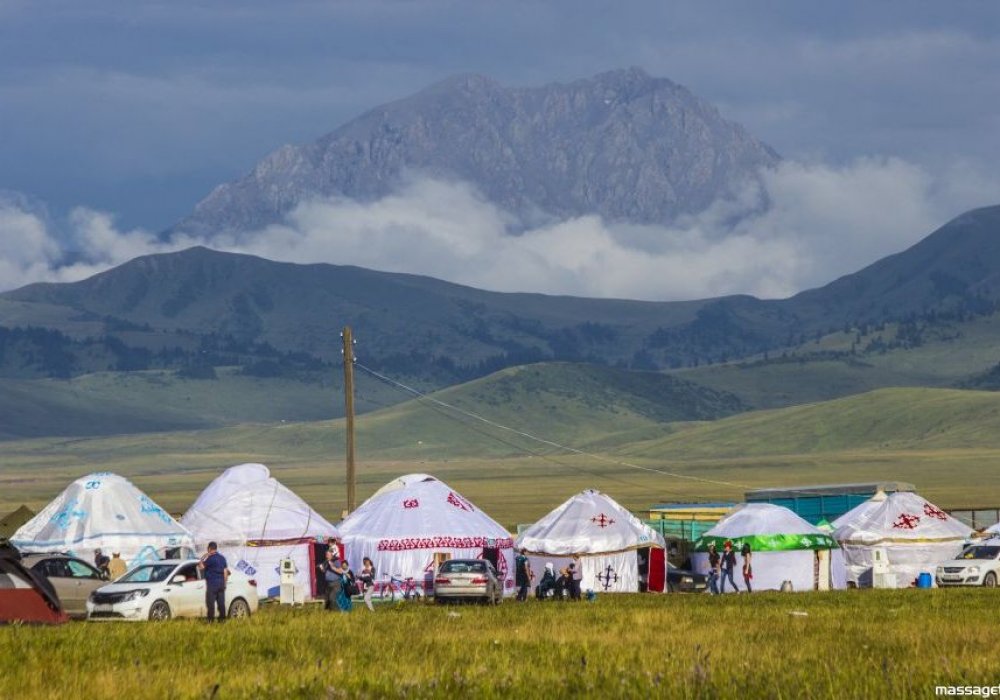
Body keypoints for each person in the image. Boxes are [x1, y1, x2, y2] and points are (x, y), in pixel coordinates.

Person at [197, 541, 230, 622]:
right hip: (221, 583)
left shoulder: (210, 559)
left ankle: (210, 620)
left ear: (209, 548)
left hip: (212, 584)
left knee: (210, 603)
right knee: (221, 603)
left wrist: (203, 557)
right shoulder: (222, 558)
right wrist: (224, 583)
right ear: (216, 548)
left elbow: (200, 567)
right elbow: (225, 572)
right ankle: (222, 620)